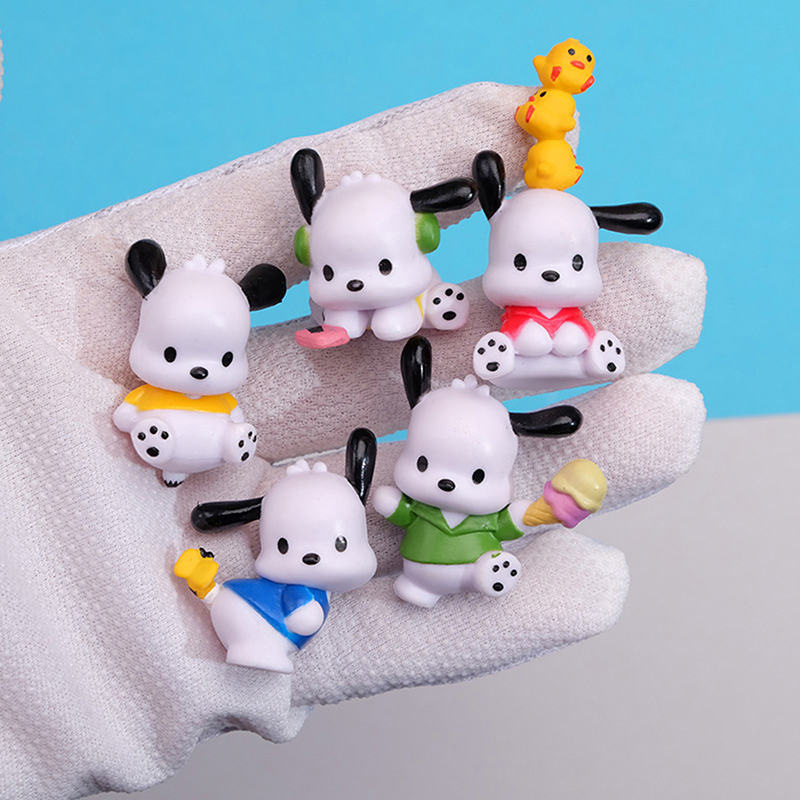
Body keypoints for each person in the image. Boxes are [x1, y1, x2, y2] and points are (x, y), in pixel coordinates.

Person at [0, 81, 705, 799]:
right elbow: (396, 501)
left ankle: (469, 555)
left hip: (396, 484)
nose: (446, 483)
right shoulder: (190, 411)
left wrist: (535, 506)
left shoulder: (417, 498)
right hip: (209, 463)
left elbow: (481, 512)